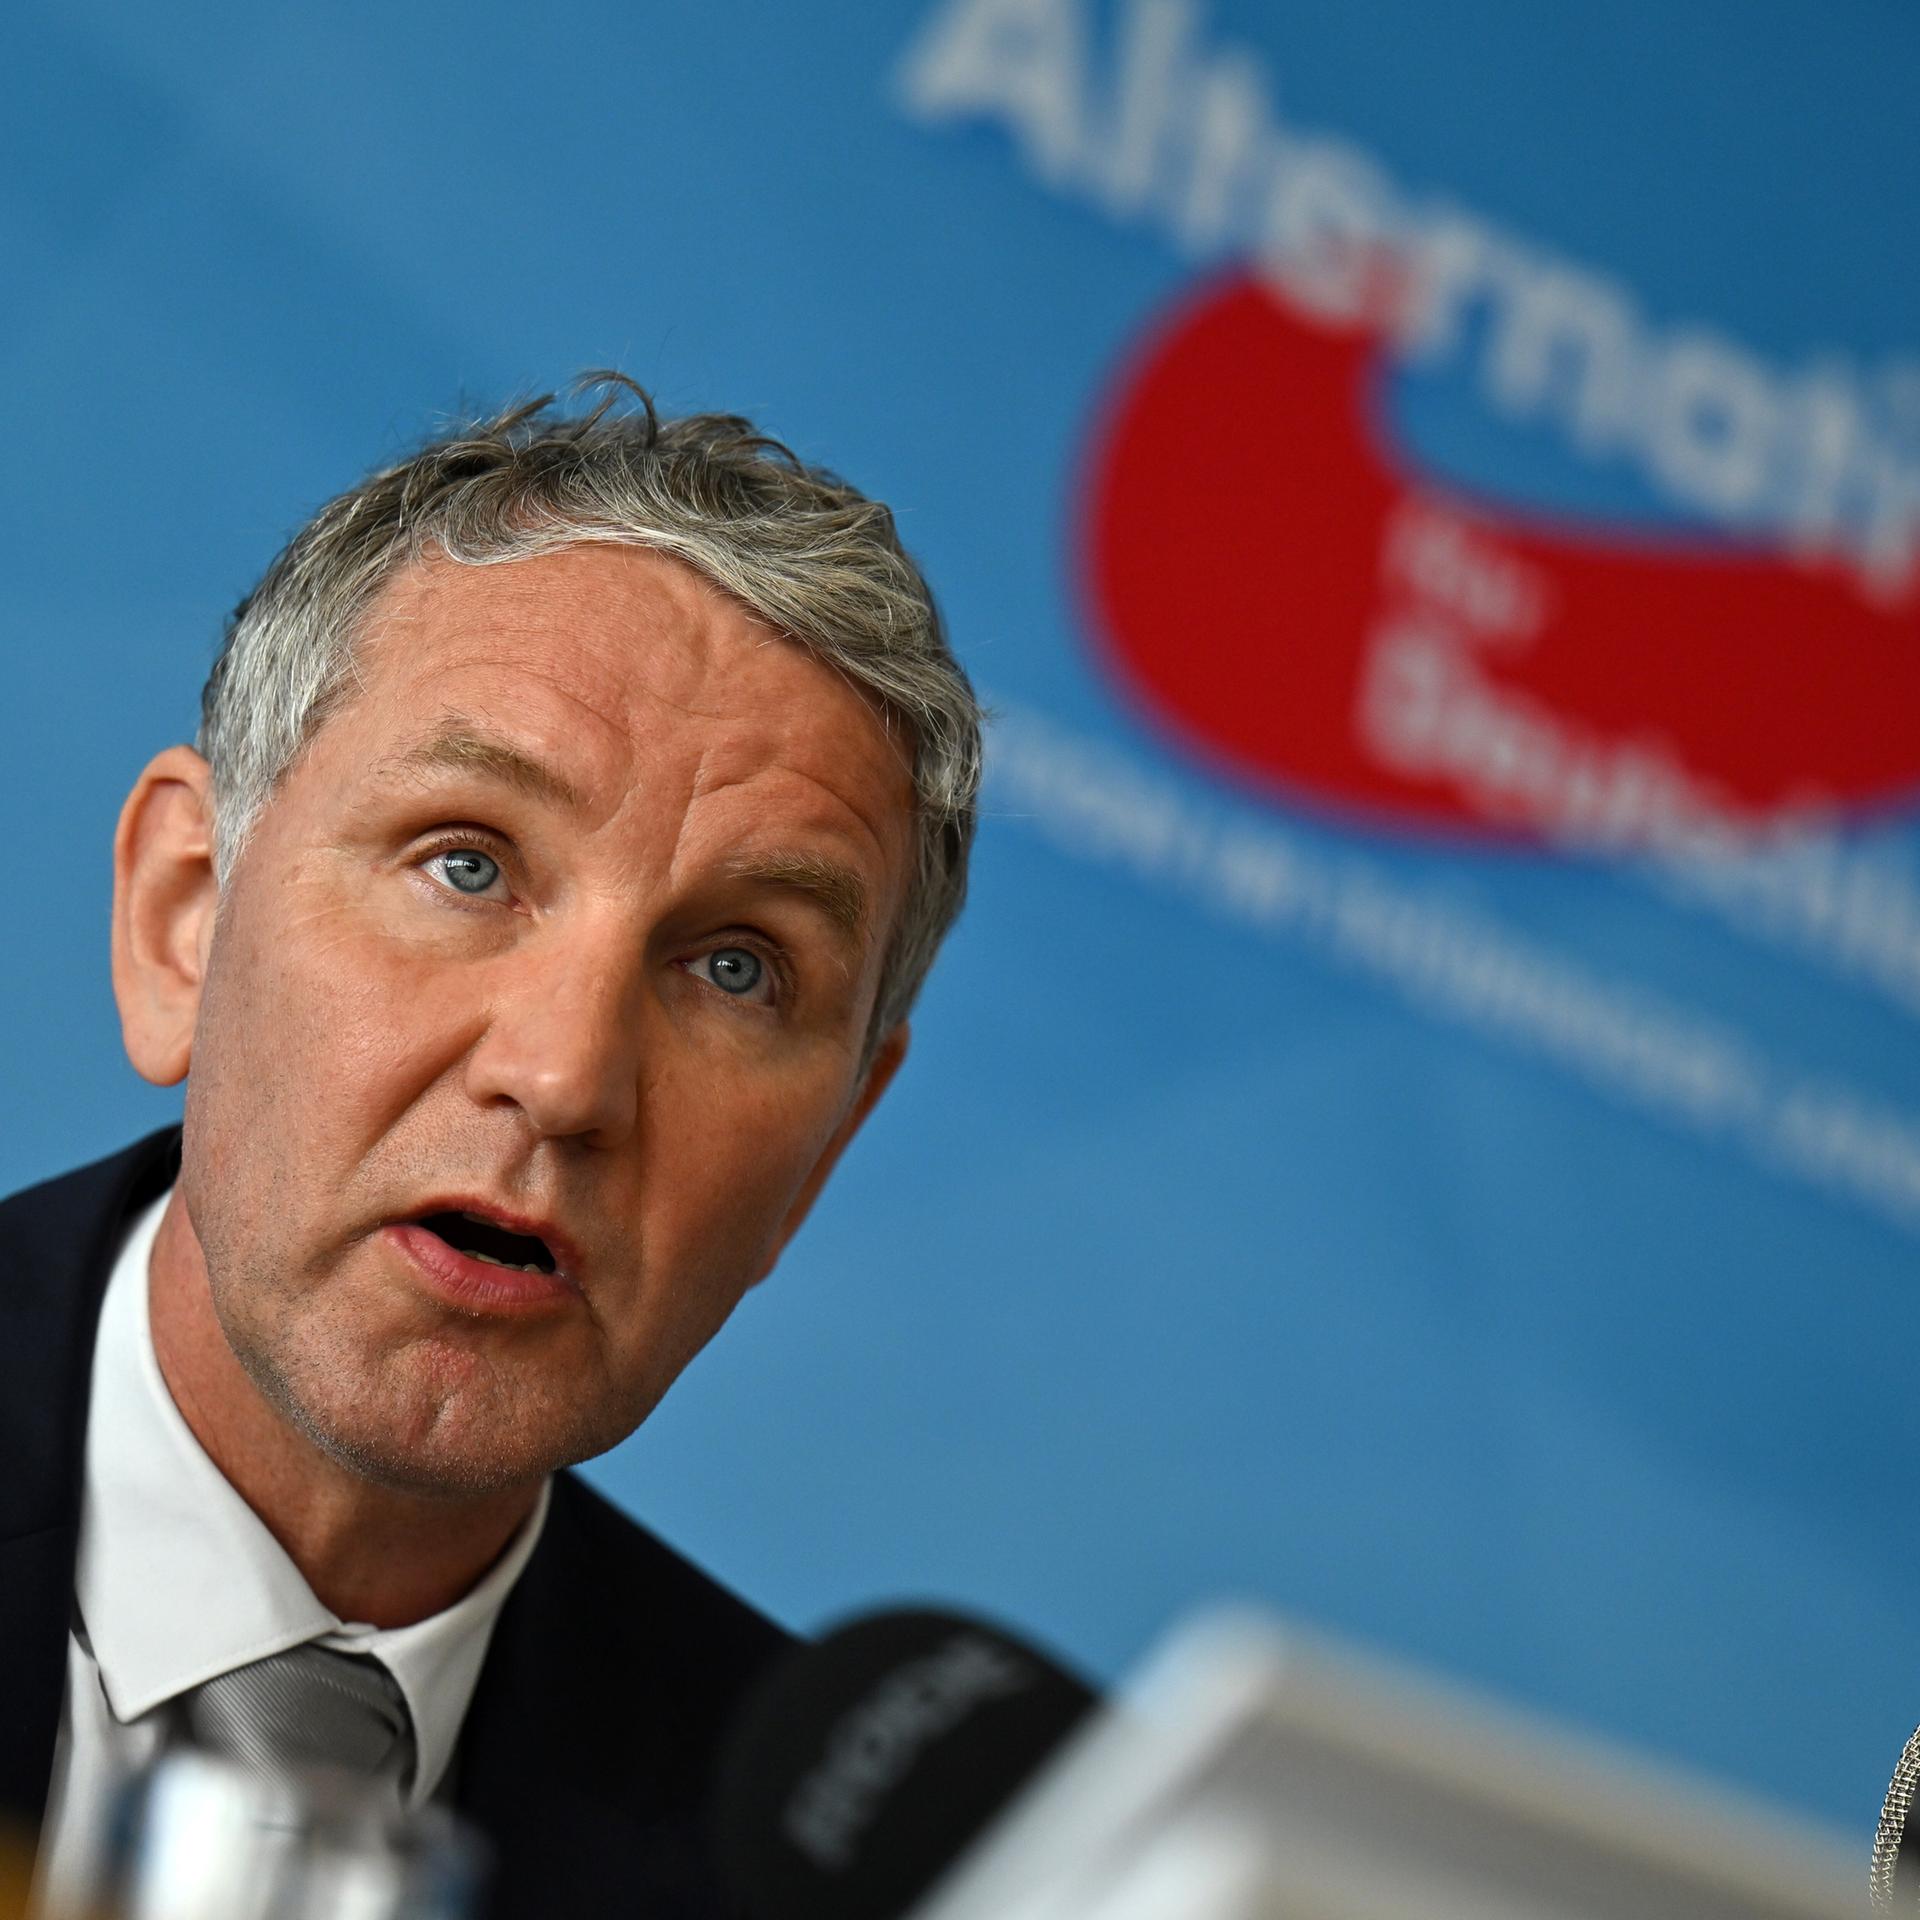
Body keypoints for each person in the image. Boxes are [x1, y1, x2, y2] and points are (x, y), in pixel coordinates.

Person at [0, 378, 984, 1919]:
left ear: (829, 1149)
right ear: (184, 916)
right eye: (466, 866)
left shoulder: (823, 1887)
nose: (566, 1077)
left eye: (737, 968)